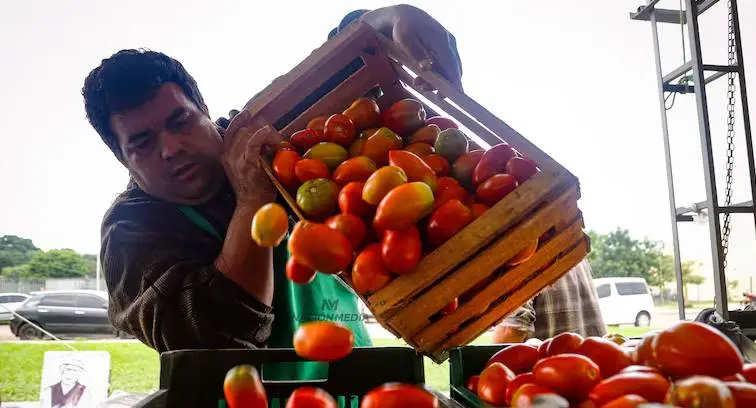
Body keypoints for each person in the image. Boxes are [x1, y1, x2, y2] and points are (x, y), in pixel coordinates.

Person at [82, 5, 463, 379]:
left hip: (354, 381)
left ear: (203, 109)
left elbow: (344, 67)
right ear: (123, 159)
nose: (171, 148)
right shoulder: (130, 233)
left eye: (181, 121)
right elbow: (214, 341)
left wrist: (389, 18)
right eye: (142, 143)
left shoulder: (261, 138)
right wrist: (252, 202)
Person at [492, 259, 607, 342]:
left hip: (551, 370)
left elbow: (510, 332)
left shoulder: (524, 249)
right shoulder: (571, 242)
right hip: (591, 366)